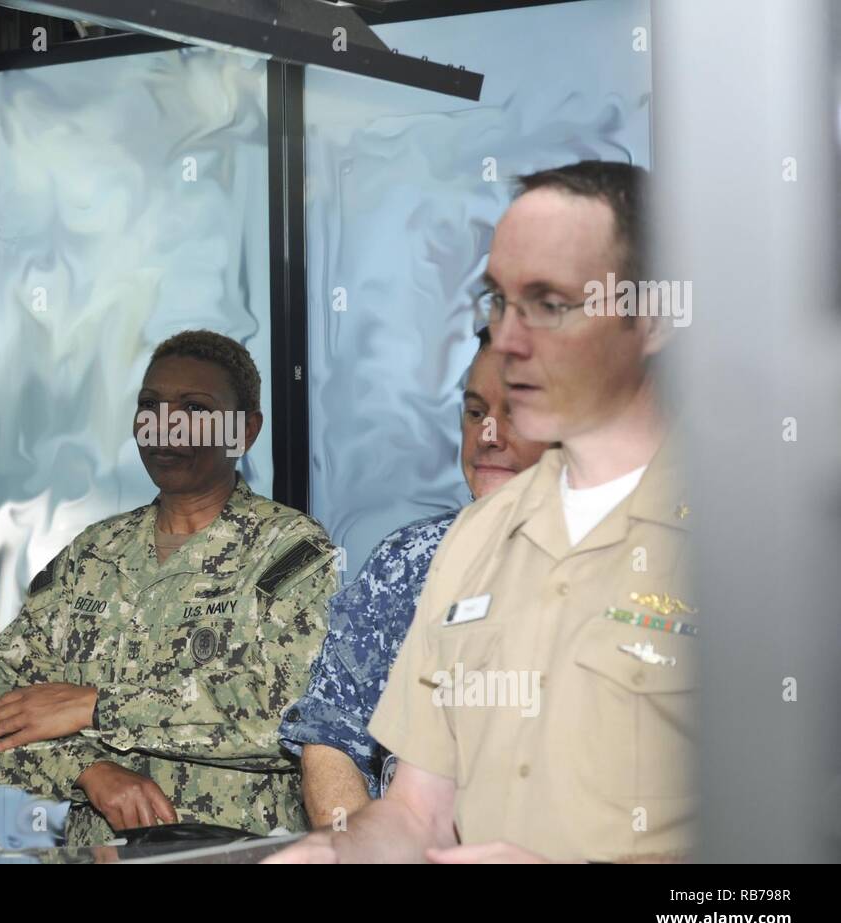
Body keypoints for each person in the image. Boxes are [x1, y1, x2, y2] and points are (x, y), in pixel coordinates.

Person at [271, 160, 695, 864]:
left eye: (550, 304)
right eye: (498, 301)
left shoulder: (763, 538)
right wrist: (339, 853)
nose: (509, 340)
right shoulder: (475, 540)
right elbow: (416, 813)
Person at [0, 330, 339, 845]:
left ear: (244, 432)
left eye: (194, 408)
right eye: (151, 406)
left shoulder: (288, 553)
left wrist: (99, 707)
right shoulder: (93, 554)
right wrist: (90, 773)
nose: (166, 428)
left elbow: (288, 716)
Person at [280, 326, 549, 827]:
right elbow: (331, 733)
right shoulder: (412, 561)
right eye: (475, 413)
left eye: (514, 412)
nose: (488, 435)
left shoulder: (649, 562)